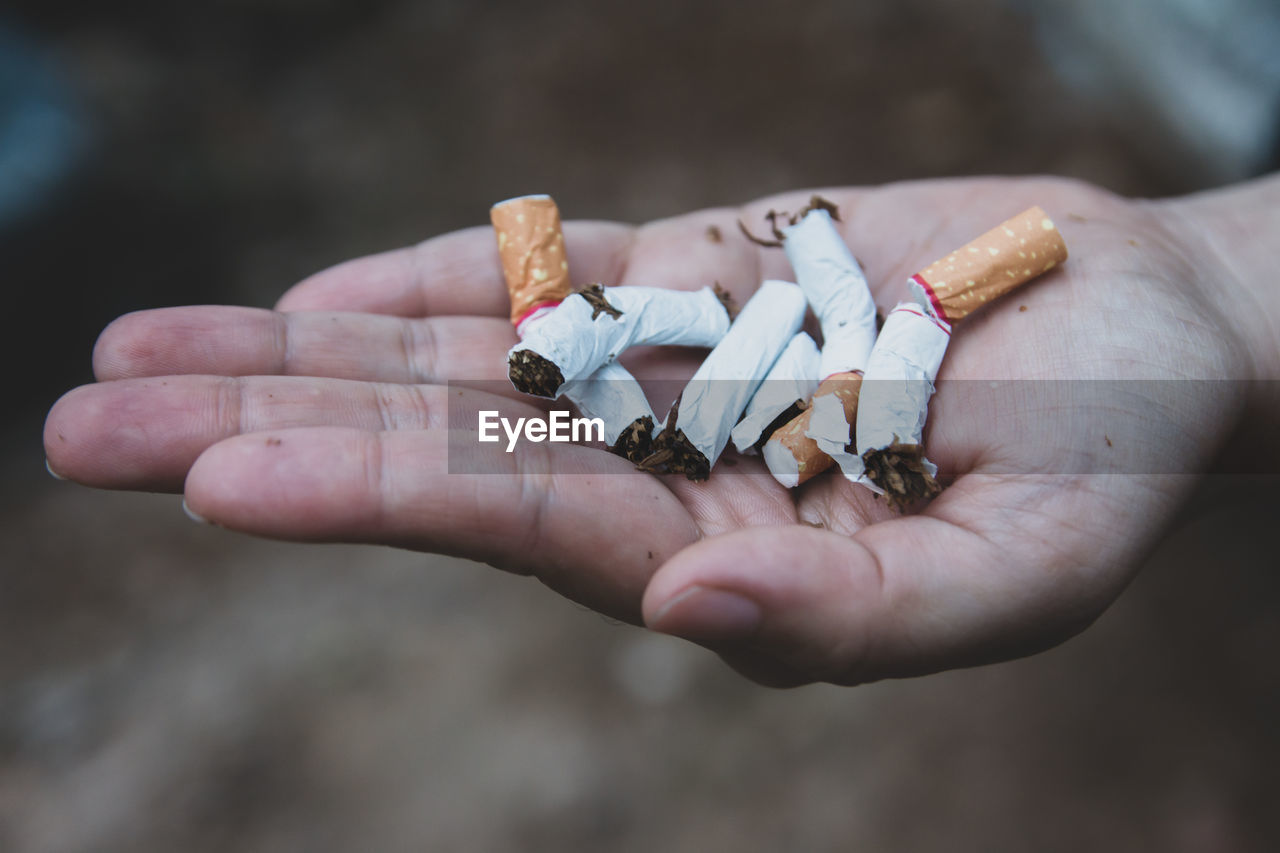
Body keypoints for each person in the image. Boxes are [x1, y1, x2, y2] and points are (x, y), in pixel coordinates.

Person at [43, 174, 1280, 687]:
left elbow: (896, 310)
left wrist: (1212, 280)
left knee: (877, 325)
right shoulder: (606, 342)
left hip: (803, 352)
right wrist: (1213, 271)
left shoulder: (823, 345)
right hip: (774, 347)